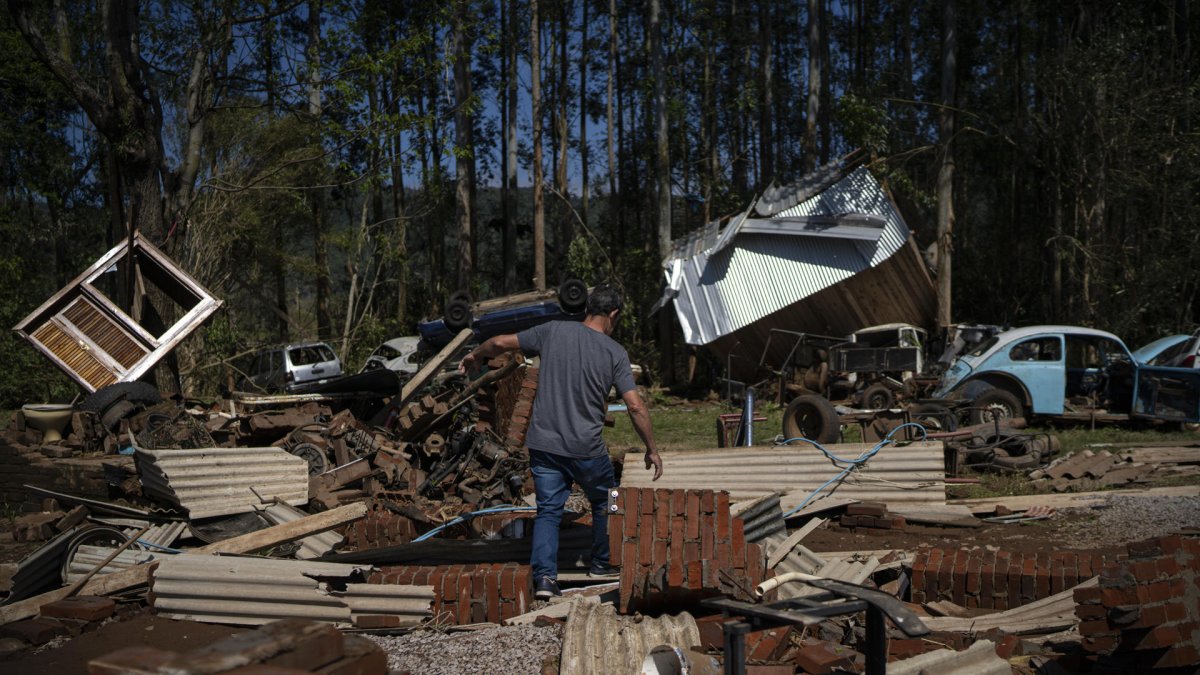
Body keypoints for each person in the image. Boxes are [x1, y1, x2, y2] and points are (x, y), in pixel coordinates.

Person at [458, 284, 663, 599]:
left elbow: (499, 342)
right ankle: (600, 561)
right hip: (587, 451)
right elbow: (635, 406)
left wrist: (475, 355)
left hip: (545, 447)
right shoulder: (615, 353)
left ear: (587, 309)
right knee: (610, 499)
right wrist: (651, 448)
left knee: (549, 511)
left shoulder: (551, 331)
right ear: (613, 315)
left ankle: (545, 580)